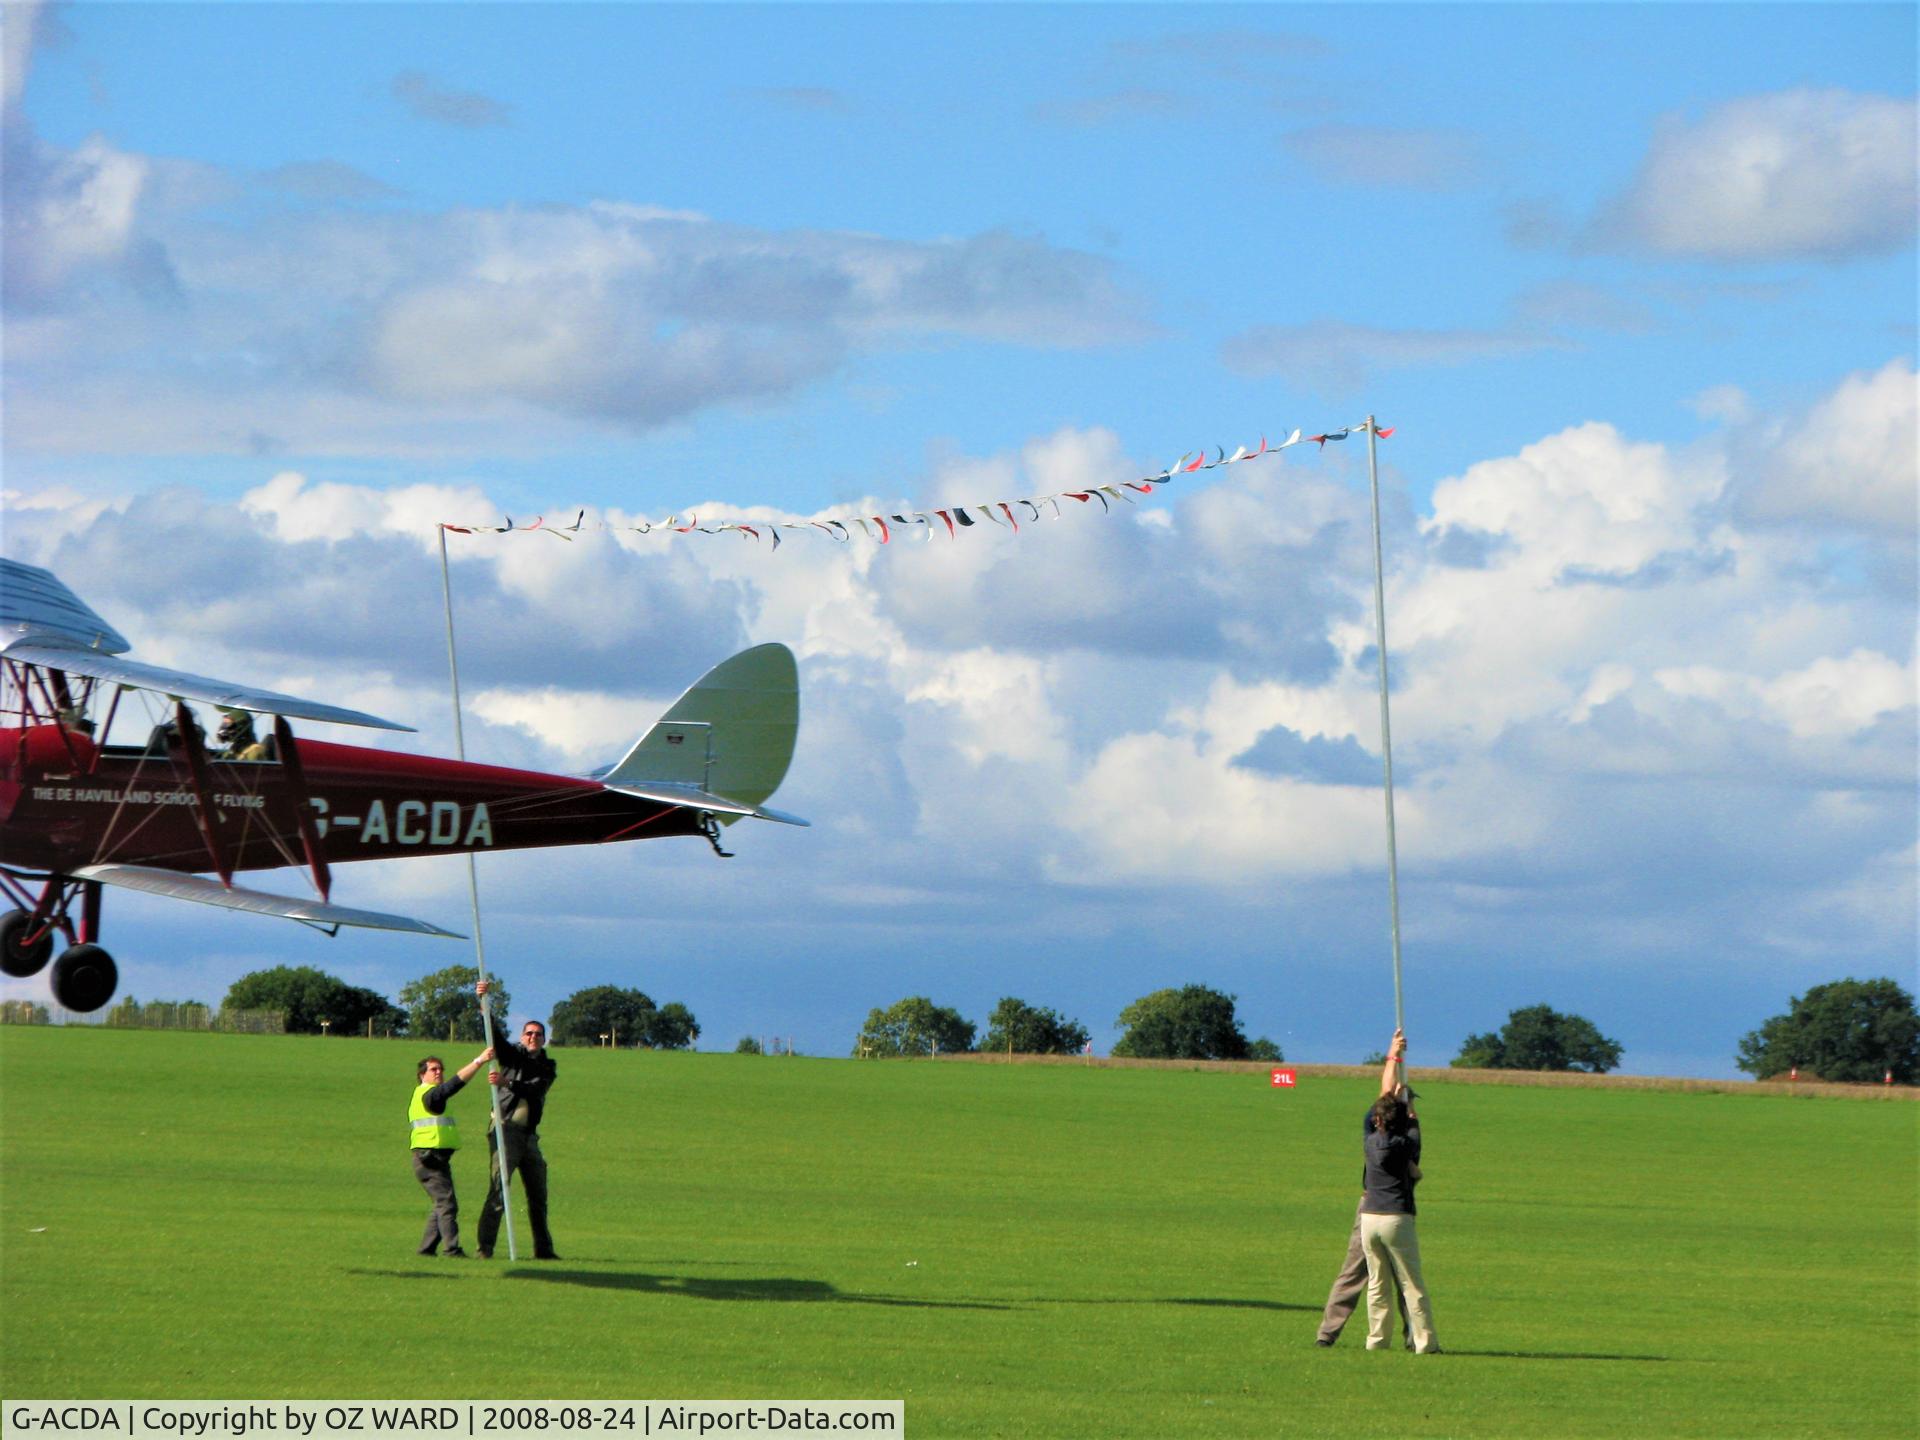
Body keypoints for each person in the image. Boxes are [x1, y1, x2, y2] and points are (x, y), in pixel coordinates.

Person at [1359, 1029, 1441, 1353]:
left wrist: (1392, 1055)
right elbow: (1404, 1117)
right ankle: (1425, 1342)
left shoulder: (1369, 1140)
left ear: (1378, 1120)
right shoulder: (1407, 1143)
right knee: (1411, 1284)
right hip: (1396, 1217)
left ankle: (1376, 1340)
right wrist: (1407, 1103)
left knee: (1377, 1285)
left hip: (1368, 1218)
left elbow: (1382, 1097)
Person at [474, 979, 560, 1260]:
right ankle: (485, 1249)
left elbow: (536, 1089)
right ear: (522, 1036)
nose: (532, 1037)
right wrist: (485, 1004)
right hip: (505, 1130)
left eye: (537, 1034)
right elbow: (494, 1036)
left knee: (538, 1194)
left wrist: (506, 1083)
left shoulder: (547, 1065)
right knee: (498, 1191)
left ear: (544, 1039)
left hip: (529, 1136)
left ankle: (544, 1250)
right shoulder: (511, 1056)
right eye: (528, 1033)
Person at [1315, 1123, 1412, 1348]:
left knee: (1352, 1273)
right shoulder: (1407, 1142)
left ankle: (1326, 1334)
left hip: (1369, 1209)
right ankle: (1416, 1338)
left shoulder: (1372, 1140)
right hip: (1398, 1212)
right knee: (1407, 1281)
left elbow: (1372, 1117)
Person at [409, 1045, 493, 1257]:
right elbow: (453, 1085)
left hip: (435, 1158)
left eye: (440, 1069)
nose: (439, 1072)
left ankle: (426, 1249)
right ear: (422, 1075)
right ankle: (452, 1249)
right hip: (428, 1158)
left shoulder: (427, 1095)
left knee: (441, 1204)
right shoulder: (429, 1096)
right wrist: (479, 1061)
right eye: (433, 1069)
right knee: (447, 1204)